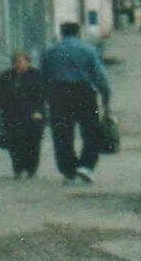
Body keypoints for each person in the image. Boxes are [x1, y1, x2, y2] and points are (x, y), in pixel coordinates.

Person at [41, 20, 113, 187]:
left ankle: (68, 170)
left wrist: (45, 97)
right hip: (83, 92)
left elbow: (43, 76)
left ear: (61, 32)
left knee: (62, 134)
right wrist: (106, 94)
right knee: (91, 131)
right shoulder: (87, 49)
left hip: (57, 93)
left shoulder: (51, 51)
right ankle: (86, 166)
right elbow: (99, 74)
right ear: (78, 32)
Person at [0, 50, 49, 179]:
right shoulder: (6, 76)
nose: (18, 65)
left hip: (33, 114)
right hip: (12, 115)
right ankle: (18, 168)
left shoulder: (37, 75)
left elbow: (42, 95)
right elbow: (0, 94)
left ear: (27, 61)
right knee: (14, 143)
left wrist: (38, 111)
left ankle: (31, 169)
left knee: (33, 143)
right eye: (15, 62)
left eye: (20, 62)